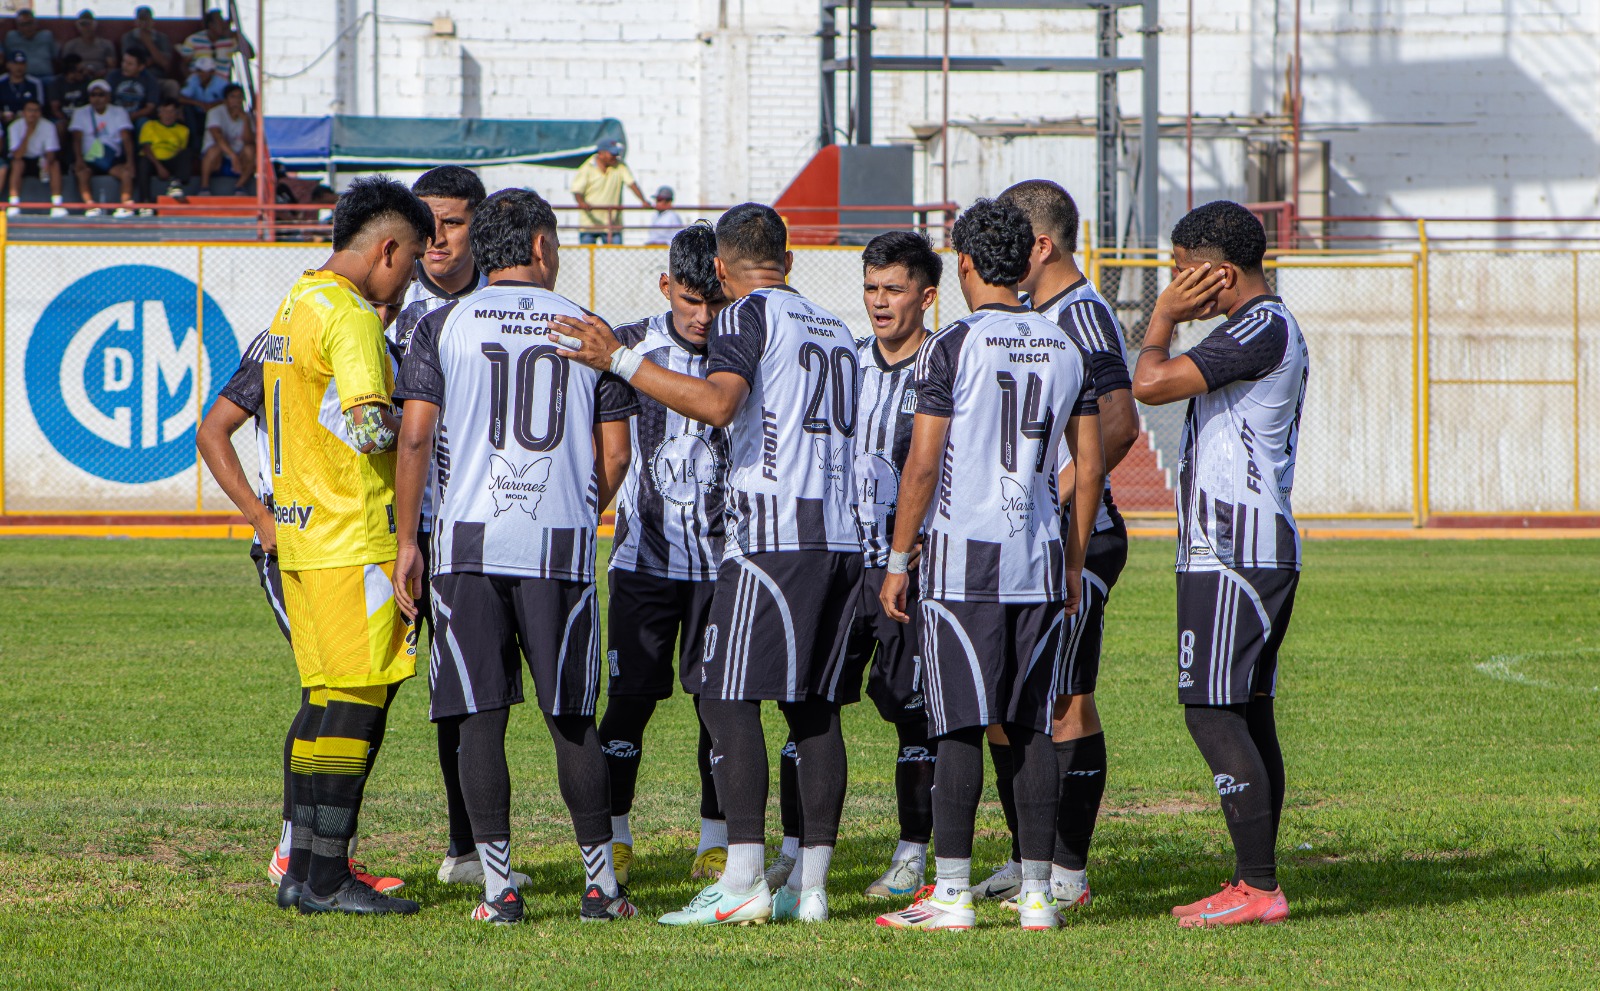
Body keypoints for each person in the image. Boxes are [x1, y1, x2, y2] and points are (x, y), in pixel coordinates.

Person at [551, 203, 864, 926]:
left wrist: (619, 362)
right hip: (841, 537)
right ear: (788, 256)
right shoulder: (836, 329)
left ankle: (742, 879)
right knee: (813, 710)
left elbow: (721, 405)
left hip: (770, 539)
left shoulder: (747, 315)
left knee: (723, 699)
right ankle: (809, 889)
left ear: (721, 269)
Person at [391, 187, 640, 925]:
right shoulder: (590, 329)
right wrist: (572, 500)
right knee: (572, 718)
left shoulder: (442, 324)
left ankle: (498, 890)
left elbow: (413, 437)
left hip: (465, 543)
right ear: (538, 246)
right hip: (556, 545)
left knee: (479, 717)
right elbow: (618, 454)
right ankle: (601, 886)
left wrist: (409, 540)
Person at [874, 198, 1104, 932]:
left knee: (958, 726)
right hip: (1038, 558)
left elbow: (922, 460)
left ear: (965, 263)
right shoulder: (1067, 342)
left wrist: (897, 557)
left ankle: (950, 893)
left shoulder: (954, 344)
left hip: (961, 562)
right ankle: (1038, 894)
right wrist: (1072, 562)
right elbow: (1091, 467)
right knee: (1032, 725)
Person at [258, 175, 434, 916]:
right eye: (415, 257)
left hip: (301, 537)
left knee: (324, 703)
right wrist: (423, 418)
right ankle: (329, 876)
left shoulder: (295, 300)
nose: (415, 271)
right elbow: (368, 428)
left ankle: (303, 870)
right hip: (352, 535)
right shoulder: (353, 316)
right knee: (357, 706)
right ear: (387, 247)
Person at [196, 312, 414, 911]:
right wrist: (260, 517)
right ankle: (308, 859)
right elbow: (215, 430)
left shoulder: (364, 334)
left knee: (345, 694)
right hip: (321, 541)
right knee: (335, 695)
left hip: (330, 541)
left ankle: (313, 858)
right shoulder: (312, 336)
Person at [1130, 200, 1309, 928]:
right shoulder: (1260, 325)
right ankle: (1252, 881)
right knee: (1244, 708)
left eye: (1182, 272)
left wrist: (1163, 317)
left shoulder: (1260, 323)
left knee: (1209, 709)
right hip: (1241, 545)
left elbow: (1149, 382)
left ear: (1219, 273)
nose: (1175, 283)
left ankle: (1259, 885)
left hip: (1236, 548)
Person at [966, 179, 1142, 911]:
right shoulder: (1036, 315)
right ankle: (1026, 856)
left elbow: (1121, 422)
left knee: (1065, 701)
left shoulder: (1083, 315)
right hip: (1027, 542)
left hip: (1078, 537)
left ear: (1040, 244)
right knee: (1010, 709)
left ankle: (1067, 870)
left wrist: (1046, 495)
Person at [773, 230, 944, 901]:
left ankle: (911, 852)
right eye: (871, 287)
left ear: (926, 295)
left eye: (893, 289)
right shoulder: (845, 358)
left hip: (910, 569)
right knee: (808, 706)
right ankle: (796, 847)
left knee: (912, 710)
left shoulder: (946, 362)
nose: (879, 301)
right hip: (842, 565)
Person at [385, 165, 510, 893]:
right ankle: (311, 842)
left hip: (485, 528)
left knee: (467, 694)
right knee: (365, 686)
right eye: (425, 221)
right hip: (405, 528)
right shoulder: (388, 307)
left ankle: (467, 847)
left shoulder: (505, 303)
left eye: (453, 222)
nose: (436, 237)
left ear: (478, 226)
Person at [595, 222, 731, 888]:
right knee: (628, 703)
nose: (704, 317)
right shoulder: (628, 344)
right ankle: (615, 836)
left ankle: (714, 840)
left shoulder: (744, 345)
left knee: (720, 704)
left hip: (722, 562)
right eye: (690, 301)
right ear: (666, 286)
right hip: (643, 561)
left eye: (714, 302)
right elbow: (611, 449)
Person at [68, 79, 135, 217]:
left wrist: (130, 162)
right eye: (93, 95)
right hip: (89, 158)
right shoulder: (80, 112)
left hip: (111, 158)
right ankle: (90, 206)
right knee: (82, 174)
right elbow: (77, 139)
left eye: (101, 94)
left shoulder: (119, 111)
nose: (97, 98)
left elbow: (126, 138)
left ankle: (126, 205)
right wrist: (79, 160)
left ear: (108, 96)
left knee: (126, 174)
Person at [570, 138, 649, 245]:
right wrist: (582, 203)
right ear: (600, 154)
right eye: (612, 153)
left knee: (615, 258)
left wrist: (643, 201)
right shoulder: (587, 168)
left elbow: (631, 184)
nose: (615, 156)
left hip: (612, 224)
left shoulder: (620, 166)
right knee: (587, 257)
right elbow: (577, 190)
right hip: (590, 223)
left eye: (616, 153)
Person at [6, 98, 65, 215]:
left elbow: (51, 152)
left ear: (40, 113)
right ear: (24, 112)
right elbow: (17, 155)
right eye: (30, 110)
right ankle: (14, 204)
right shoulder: (14, 127)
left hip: (41, 161)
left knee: (55, 164)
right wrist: (28, 132)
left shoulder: (48, 126)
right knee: (17, 164)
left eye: (36, 111)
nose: (33, 114)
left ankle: (57, 204)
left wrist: (46, 163)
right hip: (23, 159)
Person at [200, 82, 252, 192]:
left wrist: (246, 121)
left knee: (251, 150)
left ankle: (239, 187)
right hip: (219, 159)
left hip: (239, 159)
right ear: (225, 100)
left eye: (239, 97)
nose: (236, 101)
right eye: (232, 97)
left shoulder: (248, 117)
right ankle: (204, 187)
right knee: (215, 149)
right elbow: (217, 136)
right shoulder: (215, 112)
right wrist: (233, 156)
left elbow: (249, 141)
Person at [136, 98, 191, 201]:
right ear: (159, 113)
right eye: (165, 111)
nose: (168, 115)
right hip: (153, 160)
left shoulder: (183, 130)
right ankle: (145, 202)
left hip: (170, 159)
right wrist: (159, 167)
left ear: (177, 114)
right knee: (143, 162)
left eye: (171, 112)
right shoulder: (149, 125)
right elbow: (146, 148)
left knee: (186, 153)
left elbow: (180, 150)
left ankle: (176, 185)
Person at [179, 8, 253, 80]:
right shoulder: (193, 40)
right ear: (211, 25)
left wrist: (239, 36)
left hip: (221, 84)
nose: (224, 24)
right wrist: (192, 82)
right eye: (220, 22)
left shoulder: (230, 41)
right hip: (199, 84)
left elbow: (250, 55)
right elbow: (184, 66)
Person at [107, 46, 158, 125]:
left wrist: (131, 116)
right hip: (114, 116)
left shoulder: (150, 80)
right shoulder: (113, 76)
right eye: (124, 61)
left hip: (137, 117)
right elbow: (106, 100)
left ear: (141, 67)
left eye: (129, 64)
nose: (124, 66)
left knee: (143, 122)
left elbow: (150, 107)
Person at [120, 6, 174, 80]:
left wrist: (148, 42)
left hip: (157, 77)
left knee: (172, 85)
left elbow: (165, 63)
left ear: (152, 21)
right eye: (141, 20)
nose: (144, 23)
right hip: (133, 77)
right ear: (136, 22)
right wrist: (150, 61)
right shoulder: (128, 37)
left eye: (147, 20)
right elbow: (128, 62)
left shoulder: (162, 38)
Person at [61, 10, 116, 80]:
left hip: (101, 79)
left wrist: (104, 72)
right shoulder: (70, 46)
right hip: (77, 79)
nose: (86, 28)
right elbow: (66, 69)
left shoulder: (106, 45)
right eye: (83, 25)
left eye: (89, 24)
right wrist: (80, 73)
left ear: (95, 25)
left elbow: (112, 67)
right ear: (78, 26)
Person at [6, 10, 58, 83]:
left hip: (46, 77)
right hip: (23, 79)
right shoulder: (11, 37)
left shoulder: (47, 35)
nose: (27, 28)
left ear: (36, 23)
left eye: (30, 23)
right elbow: (6, 58)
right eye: (23, 24)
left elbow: (56, 57)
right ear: (17, 26)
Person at [177, 55, 225, 134]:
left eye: (205, 71)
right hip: (197, 112)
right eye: (199, 70)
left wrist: (211, 105)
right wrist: (199, 104)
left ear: (212, 72)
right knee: (186, 109)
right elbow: (181, 98)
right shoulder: (193, 79)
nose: (201, 73)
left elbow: (227, 100)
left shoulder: (222, 83)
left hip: (214, 112)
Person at [0, 50, 45, 128]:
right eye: (15, 64)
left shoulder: (35, 83)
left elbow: (40, 105)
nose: (19, 67)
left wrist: (25, 114)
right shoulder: (1, 81)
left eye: (22, 64)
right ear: (8, 65)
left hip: (28, 120)